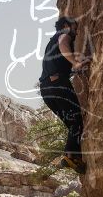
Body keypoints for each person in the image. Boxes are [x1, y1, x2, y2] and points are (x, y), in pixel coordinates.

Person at [39, 16, 90, 174]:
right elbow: (63, 43)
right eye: (75, 27)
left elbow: (62, 56)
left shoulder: (50, 44)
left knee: (72, 123)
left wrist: (78, 62)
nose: (76, 31)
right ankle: (69, 156)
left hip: (46, 90)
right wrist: (76, 63)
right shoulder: (63, 35)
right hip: (58, 85)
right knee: (77, 120)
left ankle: (73, 157)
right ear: (66, 25)